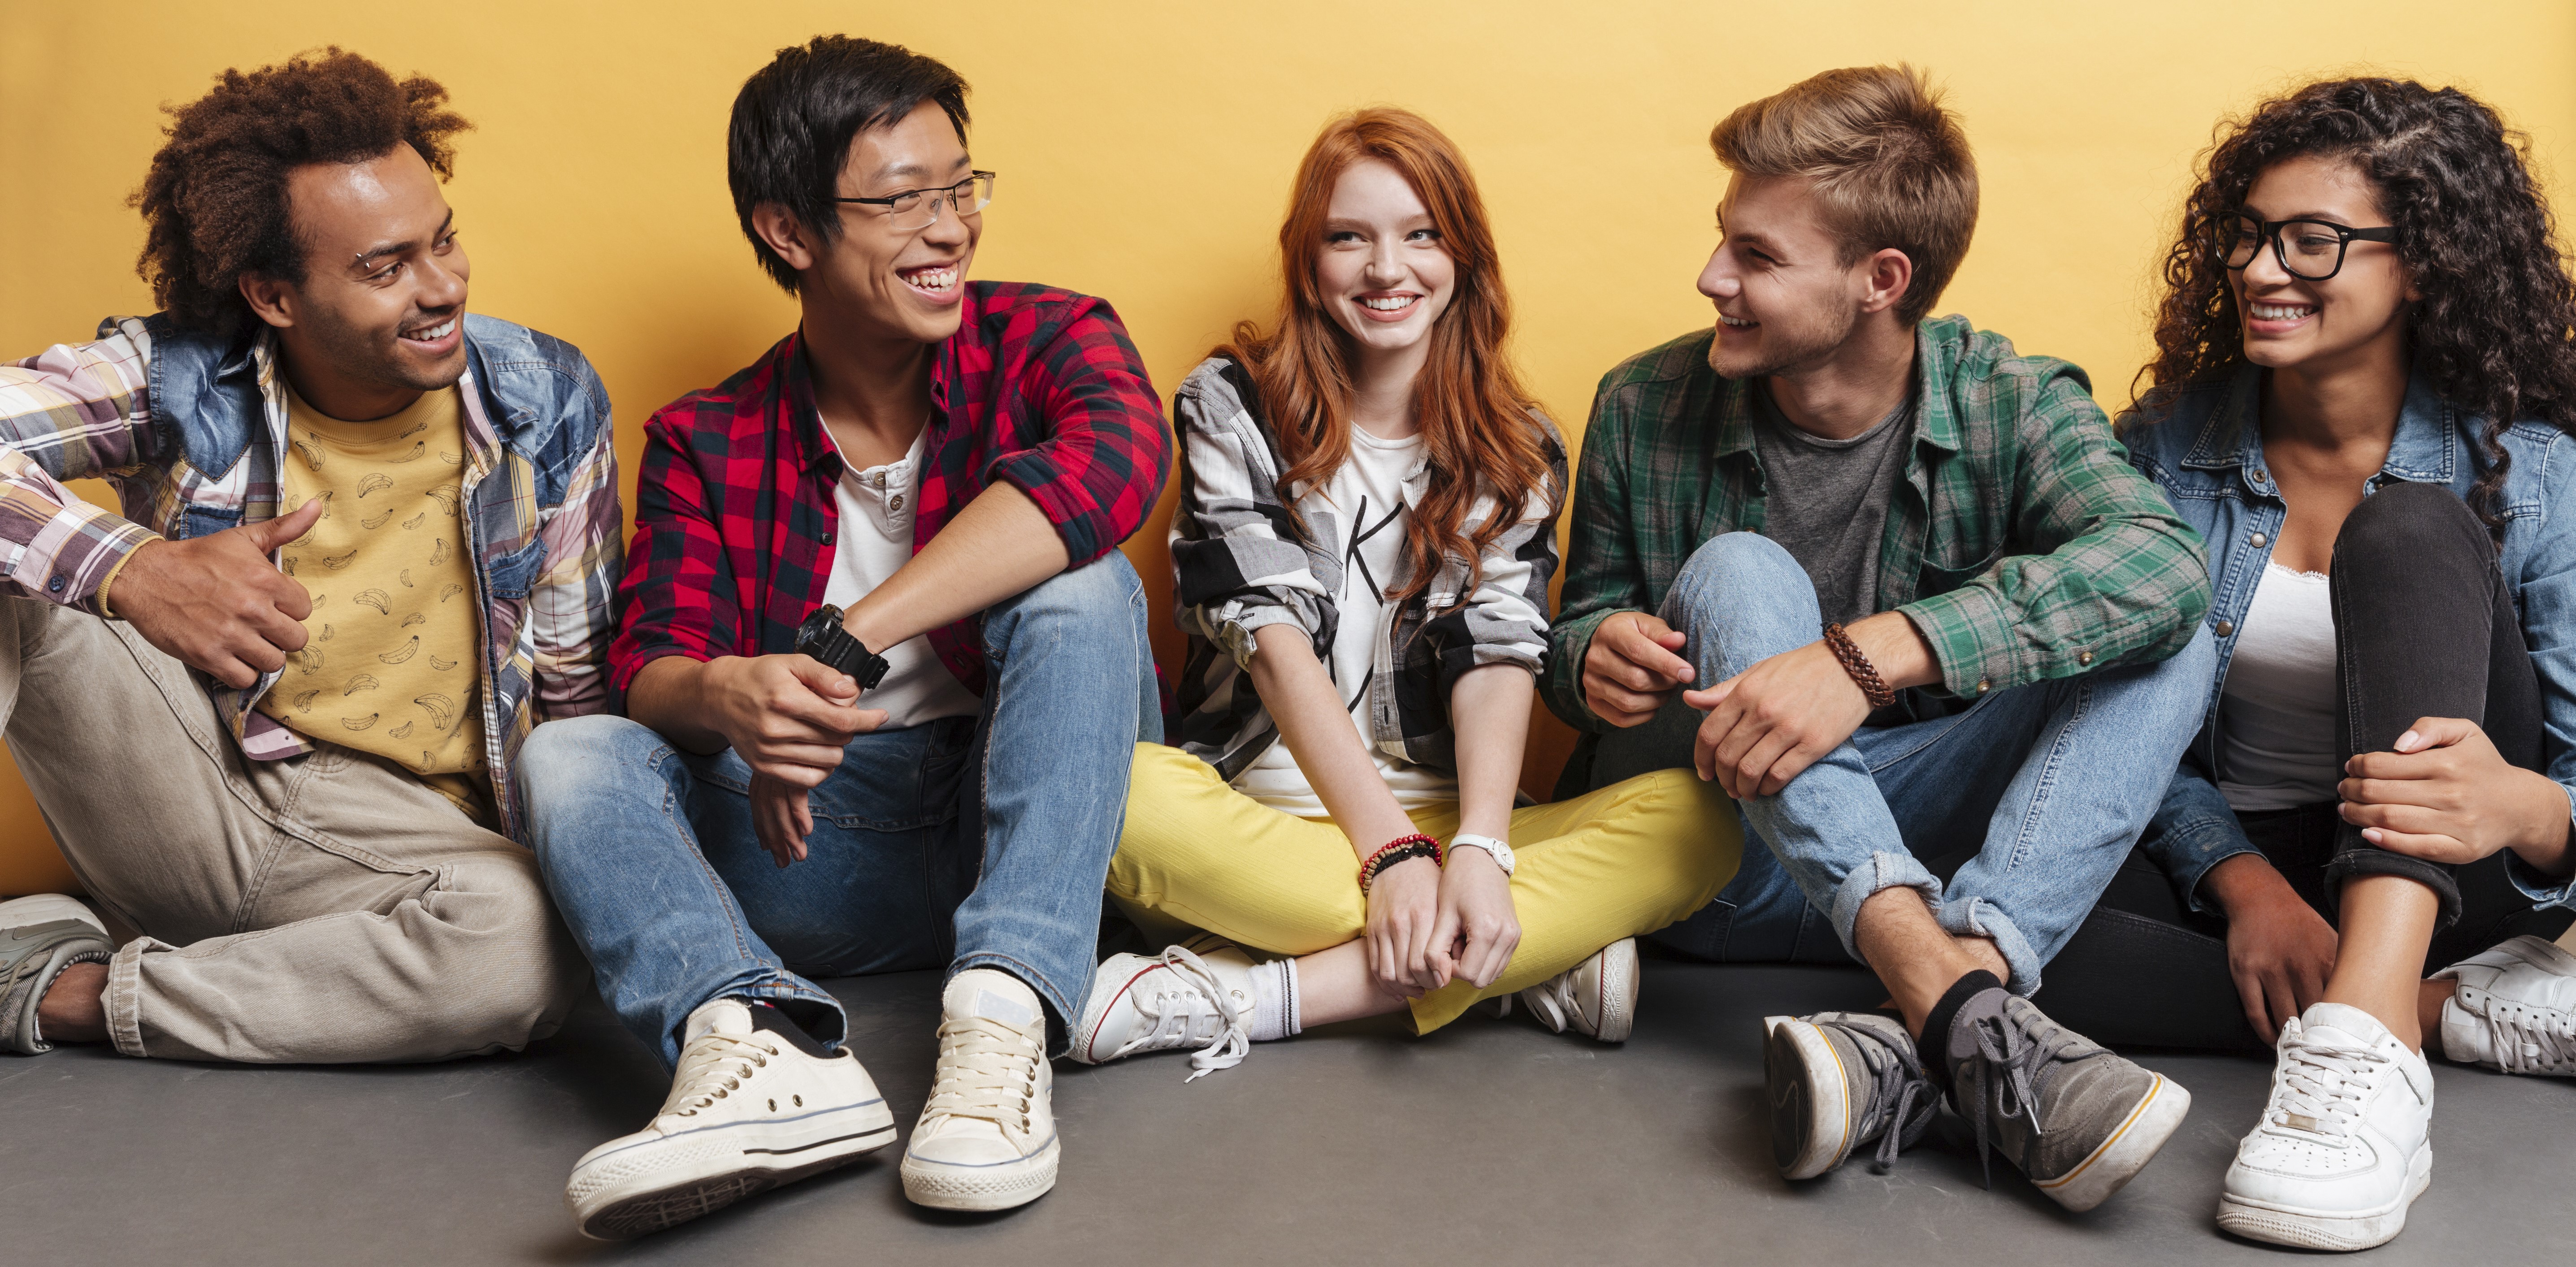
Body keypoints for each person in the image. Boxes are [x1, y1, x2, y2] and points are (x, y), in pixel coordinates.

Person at [513, 37, 1166, 1237]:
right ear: (789, 230)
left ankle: (1004, 1009)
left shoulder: (1049, 339)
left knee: (1083, 584)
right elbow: (647, 663)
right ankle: (760, 1040)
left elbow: (1112, 470)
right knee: (566, 755)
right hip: (823, 849)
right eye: (902, 199)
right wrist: (734, 696)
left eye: (961, 187)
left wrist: (841, 641)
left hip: (1031, 812)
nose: (948, 227)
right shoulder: (709, 437)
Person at [1540, 65, 2219, 1208]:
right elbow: (1571, 637)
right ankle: (1957, 1002)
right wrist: (1591, 656)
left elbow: (2162, 567)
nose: (1712, 278)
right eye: (1724, 241)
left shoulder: (2012, 400)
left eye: (1755, 256)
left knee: (2170, 634)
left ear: (1879, 279)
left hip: (1921, 860)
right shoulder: (1643, 402)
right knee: (1738, 569)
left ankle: (1948, 1005)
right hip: (1706, 857)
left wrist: (1869, 655)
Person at [1073, 109, 1739, 1080]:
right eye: (1350, 237)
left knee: (1702, 821)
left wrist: (1476, 846)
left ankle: (1254, 994)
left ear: (1462, 257)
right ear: (1308, 262)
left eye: (1420, 234)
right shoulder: (1231, 401)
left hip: (1455, 827)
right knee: (1116, 794)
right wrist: (1387, 857)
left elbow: (1499, 647)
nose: (1387, 268)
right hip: (1256, 827)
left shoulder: (1518, 445)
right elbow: (1267, 635)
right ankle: (1516, 964)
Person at [0, 50, 612, 1065]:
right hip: (189, 778)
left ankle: (59, 990)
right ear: (274, 296)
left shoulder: (540, 397)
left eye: (443, 242)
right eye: (384, 267)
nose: (440, 287)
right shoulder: (183, 378)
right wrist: (136, 570)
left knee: (526, 945)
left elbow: (577, 695)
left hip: (406, 852)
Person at [2113, 77, 2576, 1251]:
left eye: (2310, 241)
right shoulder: (2165, 449)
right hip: (2229, 865)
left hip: (2448, 873)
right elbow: (2112, 720)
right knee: (2002, 935)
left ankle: (2370, 1049)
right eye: (2248, 234)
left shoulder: (2532, 471)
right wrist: (2244, 883)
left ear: (2418, 265)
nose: (2261, 269)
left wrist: (2521, 805)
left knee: (2412, 526)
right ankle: (2451, 1019)